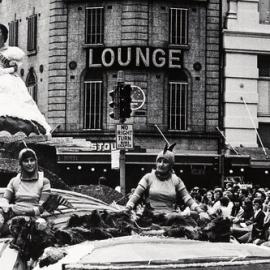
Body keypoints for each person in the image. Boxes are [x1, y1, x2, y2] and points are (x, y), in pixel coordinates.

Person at [126, 144, 207, 218]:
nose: (161, 164)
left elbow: (187, 197)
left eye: (165, 162)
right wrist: (128, 207)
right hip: (151, 216)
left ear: (171, 165)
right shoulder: (148, 177)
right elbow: (136, 195)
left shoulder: (176, 179)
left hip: (171, 216)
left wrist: (199, 210)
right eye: (159, 161)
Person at [0, 24, 51, 136]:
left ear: (4, 36)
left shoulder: (11, 52)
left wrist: (4, 71)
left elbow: (14, 68)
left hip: (7, 78)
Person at [0, 148, 51, 233]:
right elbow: (5, 199)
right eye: (26, 161)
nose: (29, 164)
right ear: (21, 163)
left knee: (27, 225)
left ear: (36, 161)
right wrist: (4, 206)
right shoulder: (14, 181)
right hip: (13, 214)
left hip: (32, 217)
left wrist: (20, 212)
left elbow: (41, 208)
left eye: (32, 160)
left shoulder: (44, 181)